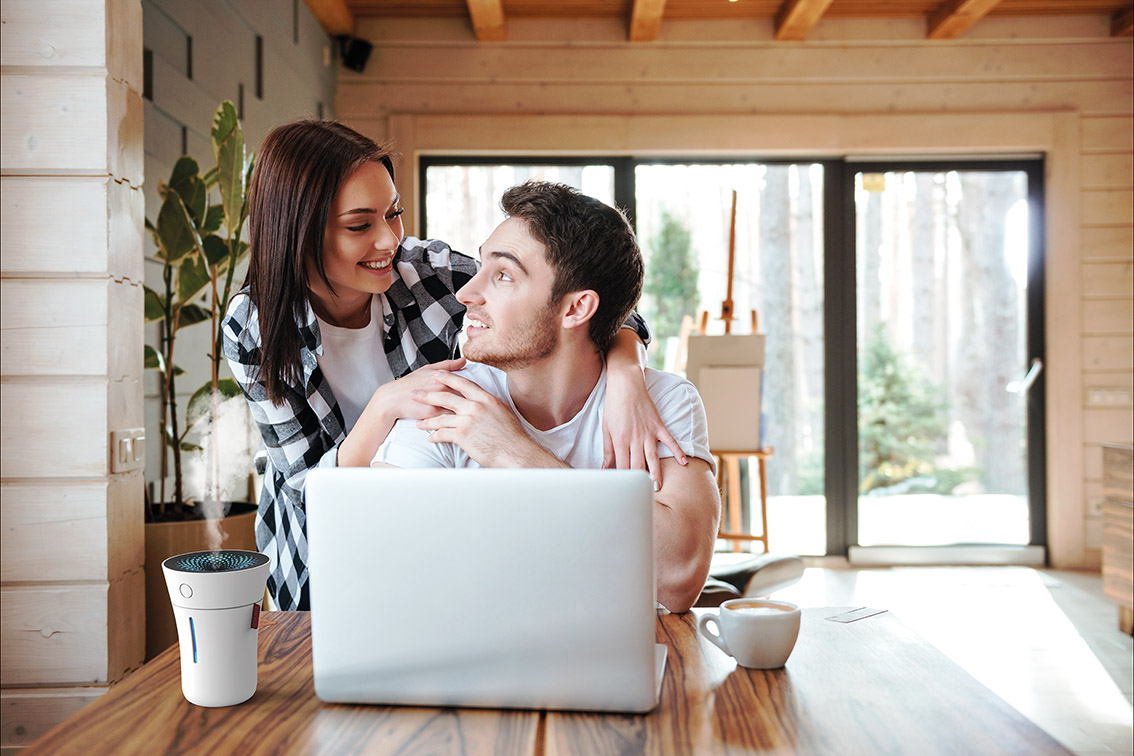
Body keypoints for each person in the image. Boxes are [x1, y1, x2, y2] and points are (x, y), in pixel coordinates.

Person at [222, 120, 682, 611]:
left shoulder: (427, 272)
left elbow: (584, 300)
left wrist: (628, 374)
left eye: (393, 214)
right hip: (317, 551)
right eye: (360, 225)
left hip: (436, 538)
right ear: (297, 230)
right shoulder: (253, 327)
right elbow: (306, 487)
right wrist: (383, 408)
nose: (388, 241)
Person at [371, 181, 721, 613]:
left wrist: (515, 453)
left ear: (576, 308)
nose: (466, 294)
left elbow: (678, 577)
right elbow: (383, 572)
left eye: (503, 275)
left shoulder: (662, 404)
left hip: (614, 667)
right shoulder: (448, 401)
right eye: (482, 267)